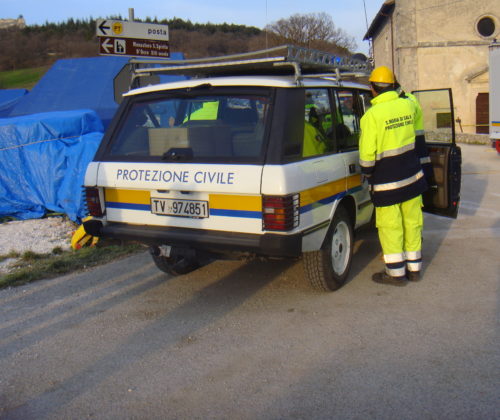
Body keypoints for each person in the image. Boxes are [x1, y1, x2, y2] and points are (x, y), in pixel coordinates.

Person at [359, 66, 428, 286]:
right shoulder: (408, 105)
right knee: (412, 222)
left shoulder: (371, 116)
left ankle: (396, 274)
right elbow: (414, 111)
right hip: (412, 176)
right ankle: (414, 269)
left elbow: (367, 156)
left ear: (373, 88)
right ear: (394, 84)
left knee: (391, 227)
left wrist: (366, 173)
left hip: (387, 182)